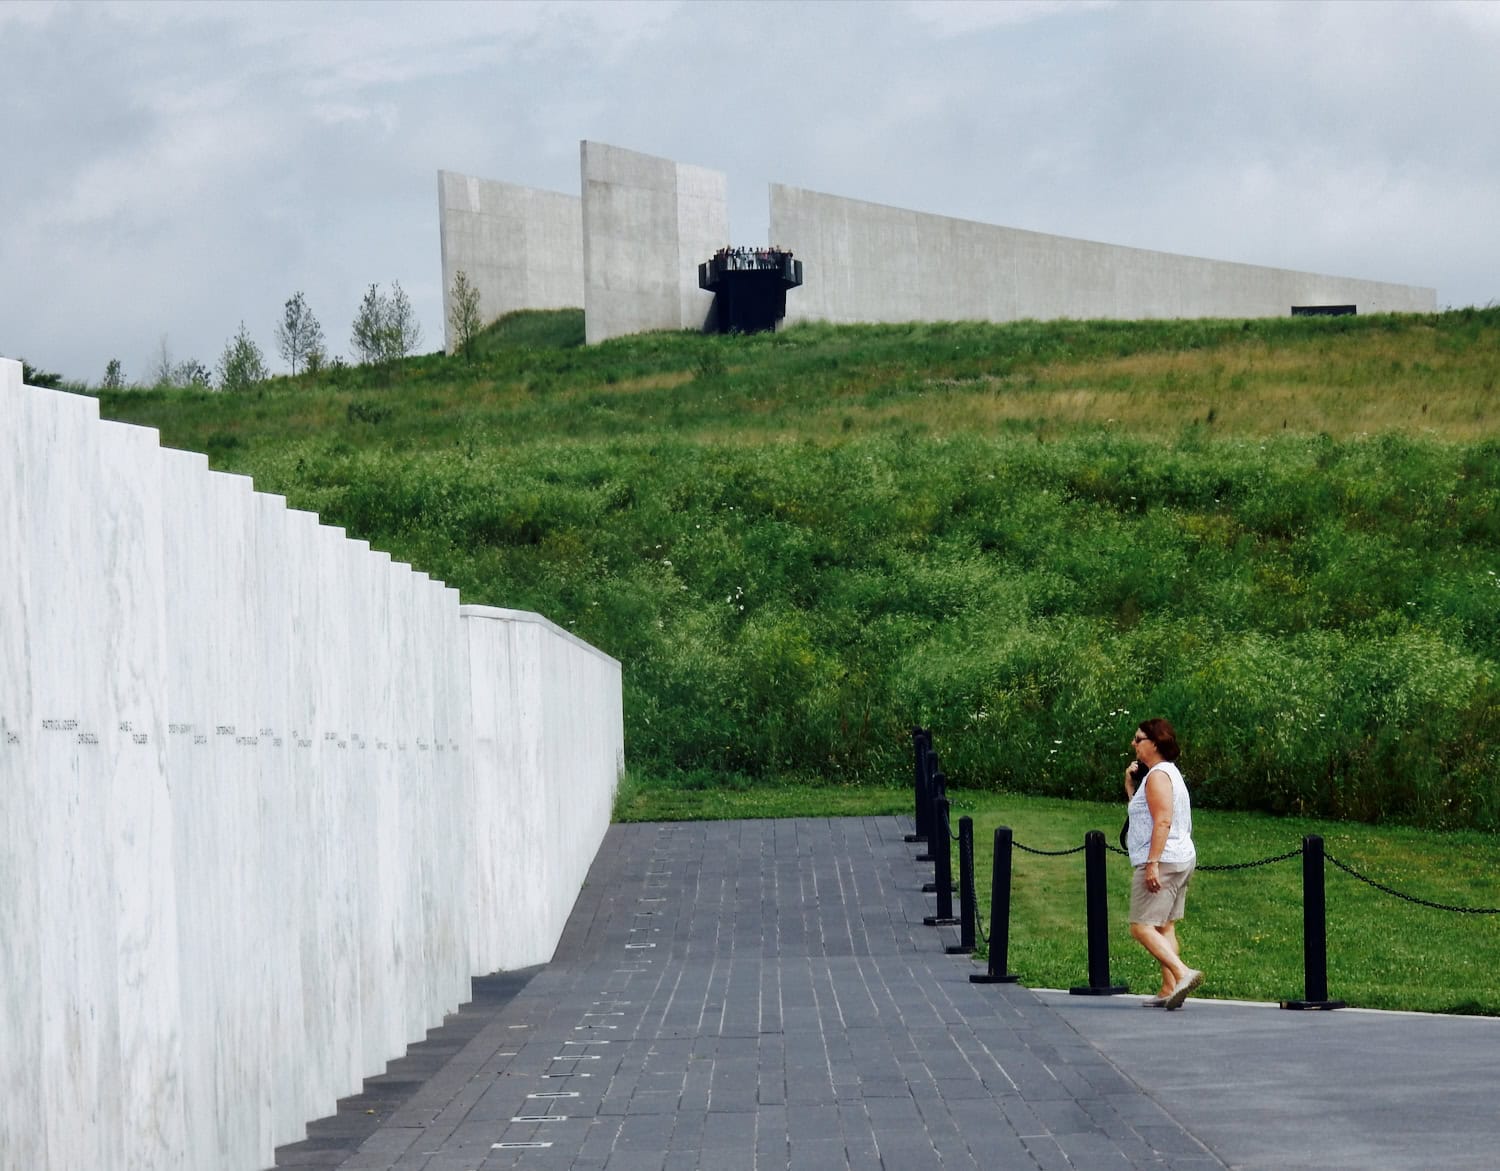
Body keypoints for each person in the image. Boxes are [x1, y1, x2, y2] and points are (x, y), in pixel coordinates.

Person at [1123, 717, 1203, 1010]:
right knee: (1165, 926)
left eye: (1138, 739)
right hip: (1180, 856)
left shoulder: (1157, 777)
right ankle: (1170, 987)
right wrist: (1131, 787)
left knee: (1141, 927)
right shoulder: (1167, 773)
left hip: (1163, 858)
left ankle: (1182, 973)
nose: (1133, 744)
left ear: (1154, 743)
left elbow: (1163, 821)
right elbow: (1144, 815)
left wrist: (1152, 863)